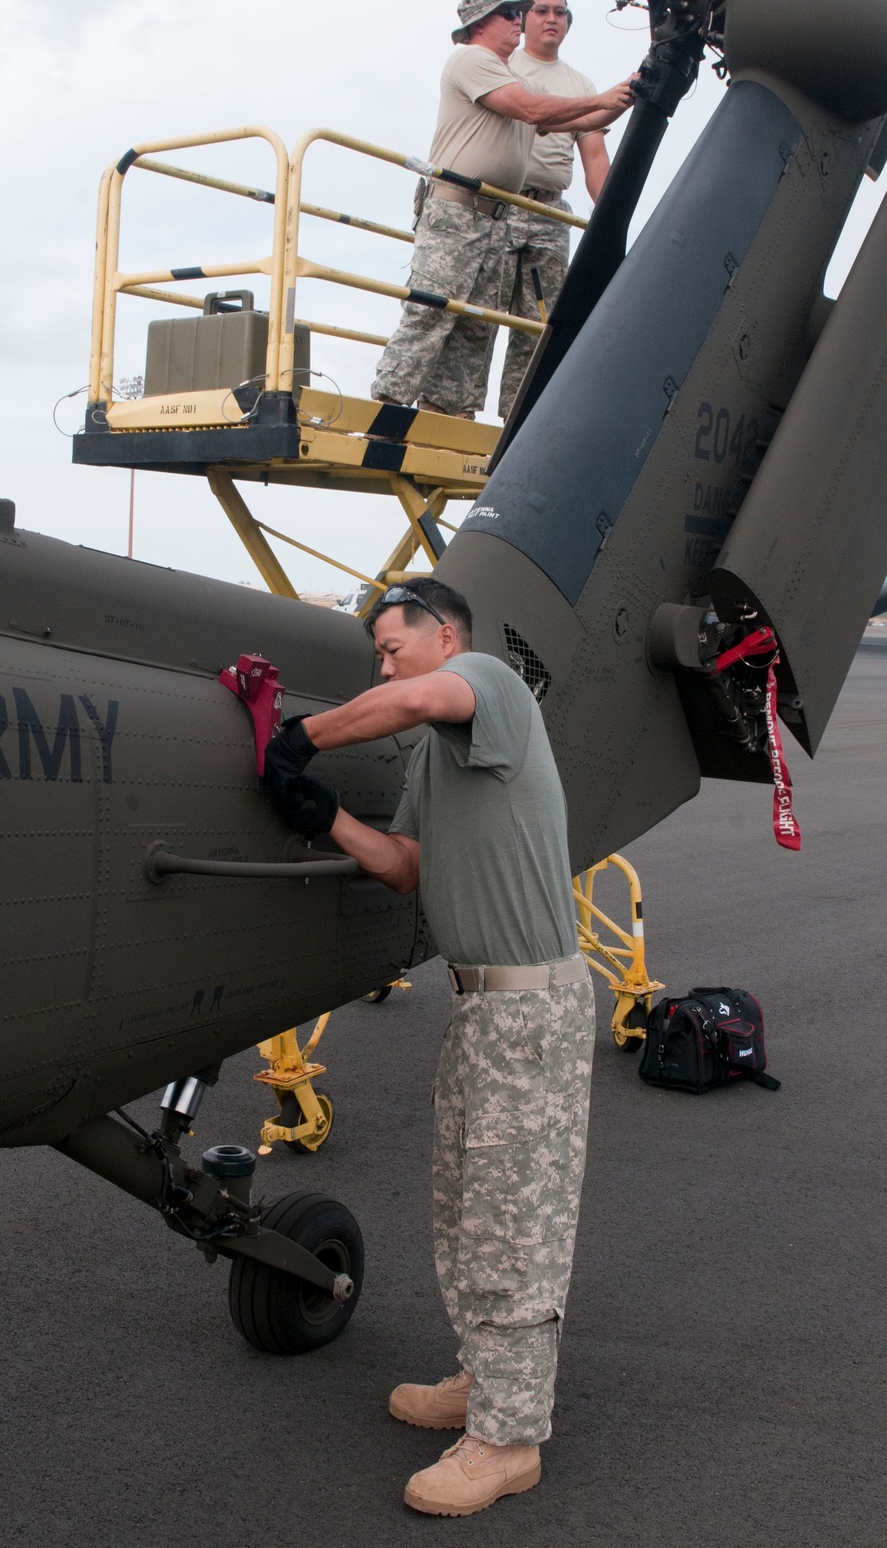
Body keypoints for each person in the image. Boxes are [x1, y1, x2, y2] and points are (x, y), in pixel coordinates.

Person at [263, 578, 596, 1518]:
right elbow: (408, 867)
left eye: (389, 645)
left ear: (444, 635)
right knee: (466, 1206)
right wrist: (320, 812)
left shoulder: (487, 682)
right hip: (483, 1011)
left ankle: (508, 1439)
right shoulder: (438, 764)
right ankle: (483, 1380)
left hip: (528, 1011)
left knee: (513, 1225)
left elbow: (414, 698)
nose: (383, 664)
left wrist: (301, 736)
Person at [371, 0, 633, 419]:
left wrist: (631, 93)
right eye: (510, 13)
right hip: (455, 209)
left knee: (475, 324)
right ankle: (388, 408)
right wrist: (606, 96)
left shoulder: (514, 76)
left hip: (492, 217)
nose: (519, 20)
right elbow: (533, 109)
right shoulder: (471, 60)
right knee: (433, 311)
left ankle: (447, 415)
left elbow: (581, 117)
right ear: (480, 25)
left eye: (519, 12)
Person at [499, 0, 627, 421]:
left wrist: (612, 218)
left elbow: (594, 158)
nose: (551, 18)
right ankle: (451, 410)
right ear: (523, 18)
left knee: (539, 326)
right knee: (476, 312)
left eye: (561, 12)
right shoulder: (503, 66)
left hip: (550, 213)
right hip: (500, 203)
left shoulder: (580, 85)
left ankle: (518, 420)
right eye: (541, 10)